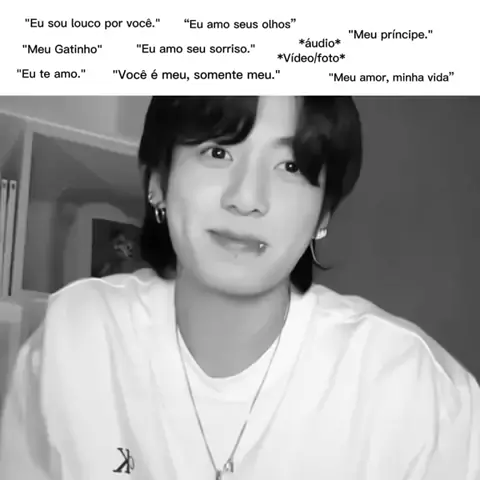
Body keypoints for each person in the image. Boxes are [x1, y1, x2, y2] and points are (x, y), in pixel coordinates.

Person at [0, 96, 479, 480]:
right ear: (158, 181)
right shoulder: (75, 338)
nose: (247, 198)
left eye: (290, 166)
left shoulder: (414, 390)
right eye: (218, 152)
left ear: (324, 214)